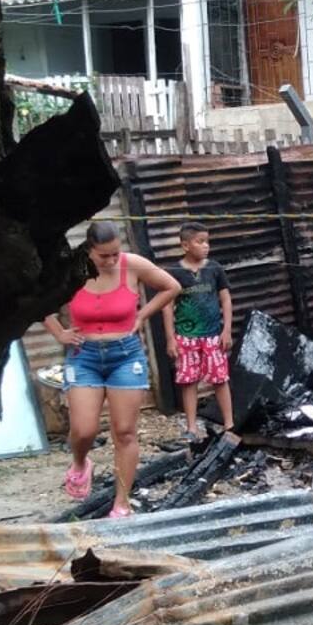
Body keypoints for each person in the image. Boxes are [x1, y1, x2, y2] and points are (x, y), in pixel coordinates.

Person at [43, 221, 181, 517]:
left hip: (126, 356)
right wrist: (59, 333)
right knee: (84, 429)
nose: (111, 260)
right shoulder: (72, 270)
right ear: (89, 250)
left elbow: (172, 286)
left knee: (125, 432)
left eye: (115, 253)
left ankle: (121, 503)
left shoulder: (132, 264)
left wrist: (142, 315)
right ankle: (81, 462)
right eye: (104, 255)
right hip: (83, 356)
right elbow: (38, 300)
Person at [162, 222, 234, 441]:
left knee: (220, 379)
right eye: (200, 242)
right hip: (186, 337)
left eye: (207, 241)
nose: (206, 246)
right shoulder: (174, 272)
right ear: (185, 245)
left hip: (213, 335)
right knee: (189, 381)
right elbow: (167, 306)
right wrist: (170, 338)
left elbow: (225, 299)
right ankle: (192, 428)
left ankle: (229, 424)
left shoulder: (214, 269)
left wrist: (226, 330)